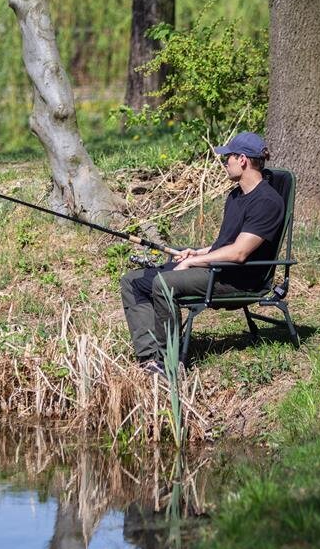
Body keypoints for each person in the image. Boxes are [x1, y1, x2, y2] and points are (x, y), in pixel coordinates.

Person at [121, 132, 284, 374]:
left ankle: (169, 363)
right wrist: (195, 252)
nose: (224, 164)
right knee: (133, 281)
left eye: (226, 158)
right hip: (218, 268)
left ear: (242, 159)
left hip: (239, 278)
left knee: (163, 284)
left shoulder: (266, 202)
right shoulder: (236, 195)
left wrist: (197, 261)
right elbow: (226, 243)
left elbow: (239, 253)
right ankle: (149, 358)